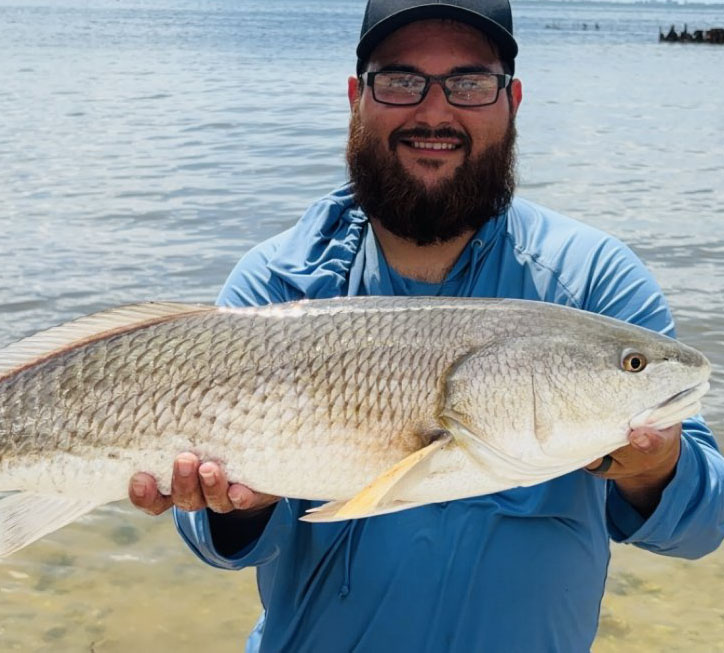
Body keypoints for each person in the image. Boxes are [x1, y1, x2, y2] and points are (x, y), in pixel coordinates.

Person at [129, 0, 724, 650]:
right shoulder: (277, 289)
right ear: (357, 97)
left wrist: (654, 468)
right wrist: (231, 505)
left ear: (512, 100)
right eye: (401, 80)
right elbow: (218, 548)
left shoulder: (593, 283)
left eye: (469, 82)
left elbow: (703, 526)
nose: (435, 112)